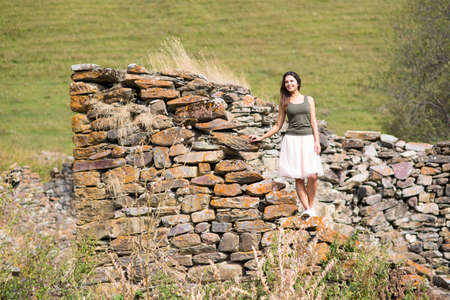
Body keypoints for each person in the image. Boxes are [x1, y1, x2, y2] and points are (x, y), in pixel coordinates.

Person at [249, 71, 323, 219]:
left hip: (308, 139)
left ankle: (311, 205)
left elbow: (313, 121)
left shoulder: (309, 100)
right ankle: (308, 209)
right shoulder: (284, 102)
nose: (289, 84)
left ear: (298, 82)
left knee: (313, 175)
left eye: (291, 81)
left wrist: (317, 141)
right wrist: (261, 137)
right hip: (292, 140)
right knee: (299, 177)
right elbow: (278, 125)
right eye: (286, 82)